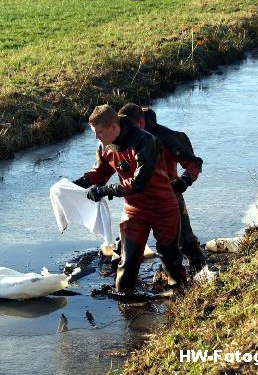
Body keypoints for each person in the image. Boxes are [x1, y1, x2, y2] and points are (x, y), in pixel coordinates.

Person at [72, 104, 186, 292]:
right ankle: (127, 308)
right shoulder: (105, 145)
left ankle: (181, 303)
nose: (96, 137)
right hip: (134, 210)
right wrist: (77, 184)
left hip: (163, 208)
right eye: (94, 133)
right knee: (127, 263)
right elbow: (100, 172)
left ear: (113, 127)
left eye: (99, 132)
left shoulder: (146, 141)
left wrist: (105, 190)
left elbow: (139, 183)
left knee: (170, 259)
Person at [118, 103, 206, 274]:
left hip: (169, 198)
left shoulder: (166, 137)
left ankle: (200, 274)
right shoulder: (122, 139)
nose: (124, 132)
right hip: (137, 202)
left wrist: (184, 181)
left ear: (140, 124)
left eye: (127, 127)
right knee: (127, 244)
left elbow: (194, 163)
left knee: (185, 240)